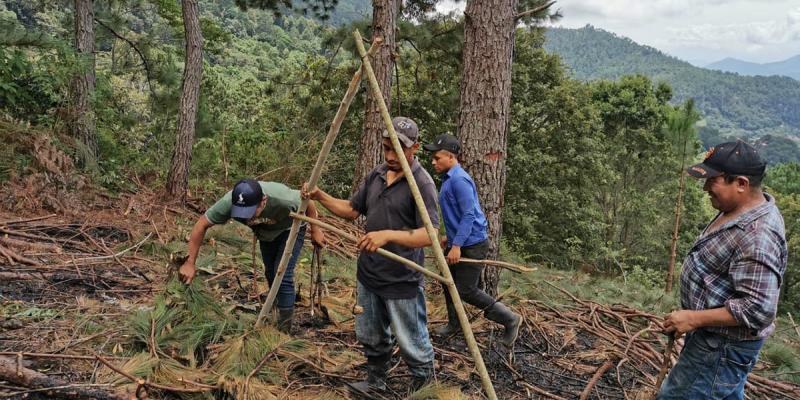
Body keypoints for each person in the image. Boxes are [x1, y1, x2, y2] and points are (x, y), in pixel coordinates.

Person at [303, 117, 438, 394]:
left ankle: (424, 389)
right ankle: (376, 382)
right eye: (387, 149)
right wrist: (320, 196)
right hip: (369, 272)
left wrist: (387, 235)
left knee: (411, 338)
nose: (390, 156)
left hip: (401, 277)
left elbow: (429, 234)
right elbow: (352, 210)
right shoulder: (376, 175)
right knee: (371, 334)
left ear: (415, 148)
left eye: (398, 150)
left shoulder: (421, 183)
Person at [658, 140, 787, 400]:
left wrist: (693, 319)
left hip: (720, 348)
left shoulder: (757, 236)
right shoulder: (736, 210)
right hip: (713, 342)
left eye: (712, 180)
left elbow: (758, 309)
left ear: (741, 184)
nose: (706, 187)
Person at [178, 178, 325, 333]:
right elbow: (201, 225)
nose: (247, 217)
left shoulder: (283, 199)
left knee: (282, 275)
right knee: (270, 273)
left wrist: (315, 230)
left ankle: (283, 331)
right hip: (266, 233)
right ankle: (275, 311)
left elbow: (308, 202)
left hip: (291, 228)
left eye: (250, 211)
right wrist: (189, 263)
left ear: (263, 201)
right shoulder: (229, 202)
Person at [423, 134, 522, 346]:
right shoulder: (448, 178)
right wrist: (449, 238)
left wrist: (457, 245)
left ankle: (510, 319)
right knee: (447, 282)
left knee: (466, 289)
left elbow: (469, 214)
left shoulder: (459, 180)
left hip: (472, 244)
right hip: (459, 240)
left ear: (450, 157)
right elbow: (456, 214)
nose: (433, 161)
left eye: (437, 157)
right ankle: (455, 324)